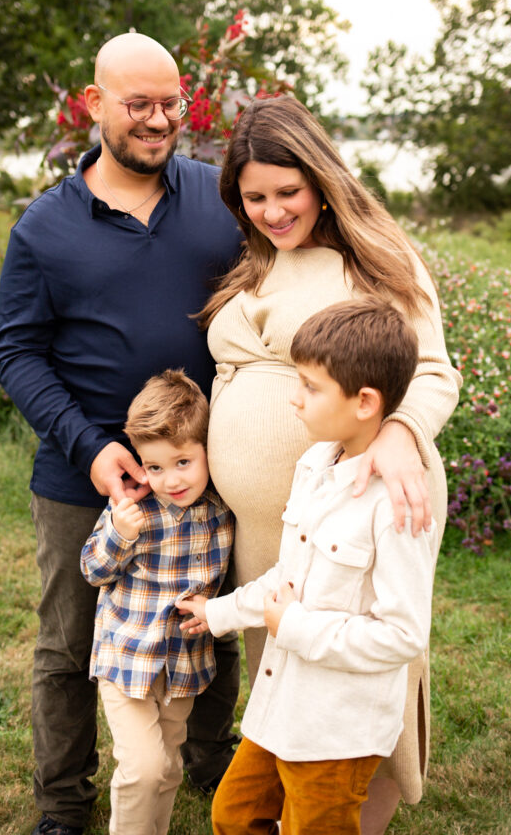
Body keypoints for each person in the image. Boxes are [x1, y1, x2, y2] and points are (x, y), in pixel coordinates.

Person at [0, 33, 243, 835]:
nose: (160, 120)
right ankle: (63, 808)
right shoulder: (44, 227)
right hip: (82, 478)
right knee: (67, 648)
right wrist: (90, 446)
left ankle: (210, 764)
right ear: (93, 104)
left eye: (172, 103)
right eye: (139, 104)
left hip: (207, 471)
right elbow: (16, 351)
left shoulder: (217, 197)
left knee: (212, 626)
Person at [197, 96, 462, 834]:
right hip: (274, 521)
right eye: (254, 198)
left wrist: (402, 430)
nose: (273, 211)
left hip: (363, 503)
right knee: (286, 669)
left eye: (288, 192)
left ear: (321, 179)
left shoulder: (377, 258)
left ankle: (354, 815)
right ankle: (297, 807)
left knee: (358, 675)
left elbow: (434, 370)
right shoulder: (261, 260)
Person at [177, 298, 441, 835]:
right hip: (281, 706)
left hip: (336, 727)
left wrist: (294, 627)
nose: (294, 398)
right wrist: (220, 612)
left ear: (365, 402)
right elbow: (288, 577)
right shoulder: (315, 464)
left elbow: (402, 635)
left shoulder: (395, 508)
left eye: (310, 387)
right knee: (235, 813)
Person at [80, 369, 234, 835]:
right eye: (155, 467)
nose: (171, 480)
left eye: (183, 461)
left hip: (183, 665)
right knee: (143, 768)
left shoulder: (221, 511)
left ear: (207, 450)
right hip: (127, 659)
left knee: (166, 767)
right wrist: (119, 533)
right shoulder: (133, 511)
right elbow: (93, 570)